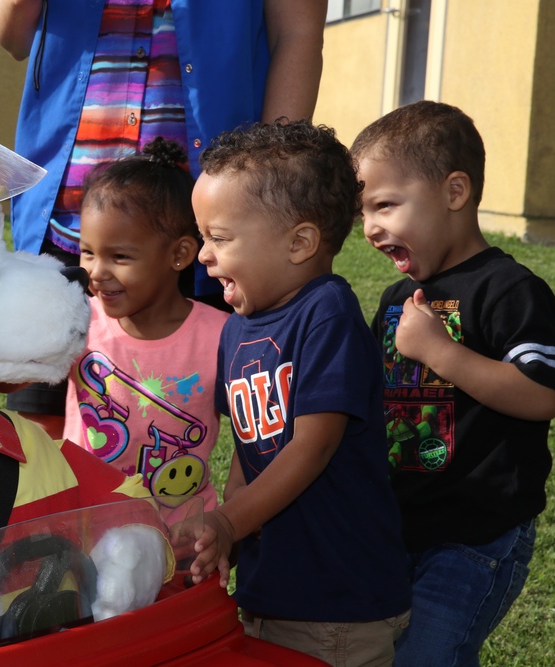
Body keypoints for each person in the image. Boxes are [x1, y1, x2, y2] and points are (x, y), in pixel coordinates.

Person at [0, 0, 327, 426]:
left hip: (209, 215)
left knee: (229, 411)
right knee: (42, 419)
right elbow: (12, 36)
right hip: (70, 217)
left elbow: (297, 34)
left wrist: (272, 174)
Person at [183, 119, 411, 666]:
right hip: (275, 588)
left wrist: (230, 521)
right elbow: (247, 447)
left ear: (300, 242)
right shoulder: (239, 326)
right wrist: (227, 536)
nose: (203, 256)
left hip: (336, 602)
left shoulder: (326, 314)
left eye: (220, 238)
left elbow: (312, 447)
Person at [352, 100, 555, 666]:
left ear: (455, 192)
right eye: (363, 211)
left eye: (385, 205)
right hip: (400, 526)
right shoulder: (397, 299)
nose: (370, 228)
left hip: (476, 534)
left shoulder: (509, 289)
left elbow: (542, 394)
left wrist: (441, 351)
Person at [63, 138, 229, 514]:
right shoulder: (76, 321)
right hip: (82, 527)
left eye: (119, 256)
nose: (96, 272)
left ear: (179, 255)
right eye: (87, 251)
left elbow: (255, 440)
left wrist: (230, 518)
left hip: (182, 539)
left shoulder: (221, 336)